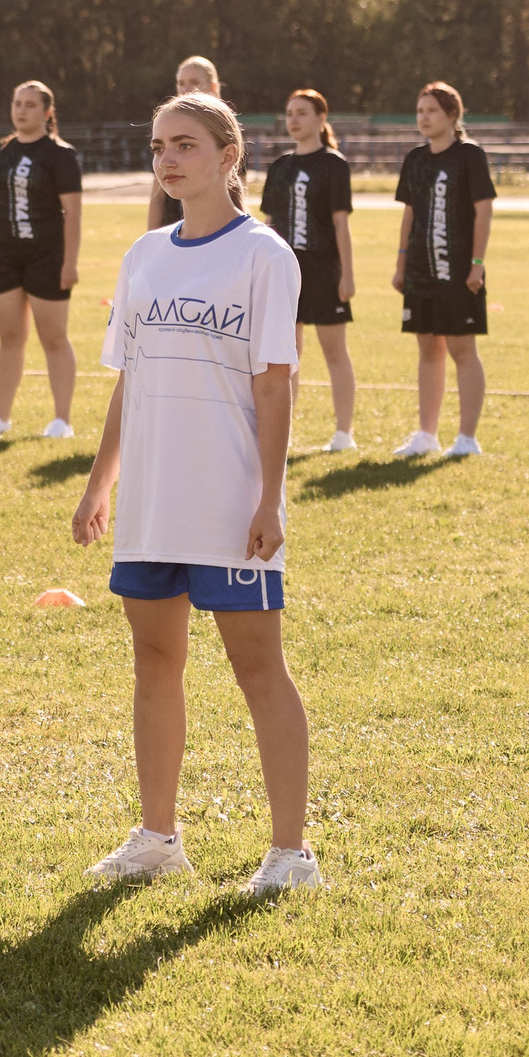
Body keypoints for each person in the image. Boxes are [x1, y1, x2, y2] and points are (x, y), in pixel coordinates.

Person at [73, 89, 319, 895]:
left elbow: (275, 386)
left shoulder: (264, 255)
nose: (168, 160)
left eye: (184, 145)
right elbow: (130, 378)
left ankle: (292, 855)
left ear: (227, 156)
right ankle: (157, 838)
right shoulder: (144, 255)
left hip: (228, 501)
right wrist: (100, 482)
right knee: (154, 661)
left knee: (258, 669)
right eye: (158, 147)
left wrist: (269, 498)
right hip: (152, 500)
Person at [0, 80, 84, 438]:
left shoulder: (60, 155)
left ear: (48, 112)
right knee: (9, 336)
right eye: (17, 103)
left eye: (30, 105)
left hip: (47, 257)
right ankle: (0, 418)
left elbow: (73, 213)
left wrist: (70, 263)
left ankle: (62, 421)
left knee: (53, 338)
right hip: (3, 257)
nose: (21, 110)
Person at [392, 81, 493, 458]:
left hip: (459, 271)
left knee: (462, 350)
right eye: (420, 111)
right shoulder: (415, 159)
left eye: (432, 110)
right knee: (427, 350)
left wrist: (477, 264)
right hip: (421, 271)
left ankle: (467, 439)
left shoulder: (469, 156)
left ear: (453, 115)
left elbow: (483, 212)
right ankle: (426, 435)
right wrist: (401, 263)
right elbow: (409, 215)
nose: (424, 118)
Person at [261, 90, 357, 452]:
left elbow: (340, 223)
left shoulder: (334, 164)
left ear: (321, 118)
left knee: (334, 351)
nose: (294, 120)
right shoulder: (280, 166)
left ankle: (343, 434)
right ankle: (282, 435)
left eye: (302, 113)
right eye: (289, 114)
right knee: (286, 357)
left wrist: (347, 274)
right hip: (286, 270)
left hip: (324, 269)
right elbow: (269, 223)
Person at [146, 56, 225, 230]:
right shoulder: (167, 129)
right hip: (171, 231)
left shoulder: (225, 135)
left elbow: (235, 194)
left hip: (212, 232)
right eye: (181, 83)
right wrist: (152, 238)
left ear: (212, 87)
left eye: (194, 82)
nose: (186, 89)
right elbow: (157, 197)